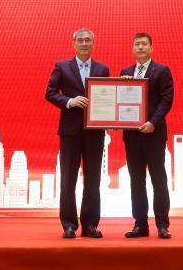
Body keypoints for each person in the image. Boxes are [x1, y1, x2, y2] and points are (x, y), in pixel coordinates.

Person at [45, 28, 108, 239]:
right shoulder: (62, 66)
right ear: (73, 43)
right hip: (70, 132)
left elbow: (107, 96)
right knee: (68, 179)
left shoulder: (102, 69)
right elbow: (50, 93)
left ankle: (90, 225)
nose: (84, 43)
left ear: (93, 43)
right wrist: (69, 101)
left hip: (95, 132)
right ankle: (69, 225)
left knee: (93, 180)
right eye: (80, 40)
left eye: (87, 40)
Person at [120, 32, 174, 239]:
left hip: (154, 134)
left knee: (158, 179)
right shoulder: (126, 72)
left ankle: (162, 224)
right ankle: (140, 225)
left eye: (144, 44)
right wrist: (122, 85)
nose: (140, 47)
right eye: (137, 44)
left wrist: (153, 122)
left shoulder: (162, 70)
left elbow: (166, 100)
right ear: (132, 49)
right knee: (136, 181)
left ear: (151, 48)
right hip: (132, 136)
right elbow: (120, 101)